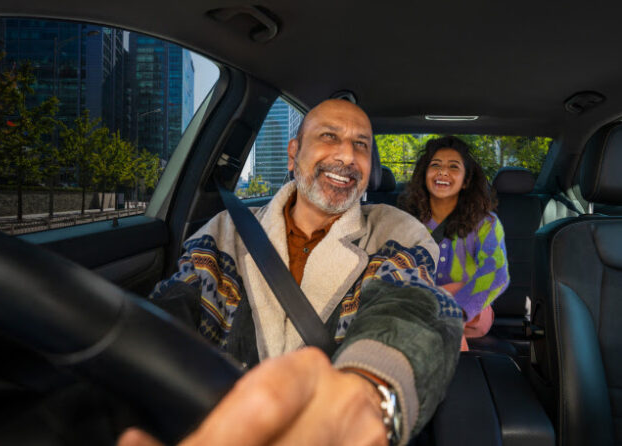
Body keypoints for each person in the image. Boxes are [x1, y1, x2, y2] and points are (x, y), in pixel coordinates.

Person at [119, 99, 463, 446]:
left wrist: (368, 392)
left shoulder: (395, 229)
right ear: (293, 154)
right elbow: (177, 302)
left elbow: (410, 303)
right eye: (329, 136)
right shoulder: (226, 230)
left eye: (361, 144)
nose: (347, 155)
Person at [398, 136, 510, 351]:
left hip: (471, 311)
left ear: (466, 181)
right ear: (424, 176)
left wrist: (456, 311)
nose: (443, 172)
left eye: (453, 166)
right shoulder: (405, 221)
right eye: (435, 165)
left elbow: (496, 272)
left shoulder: (485, 223)